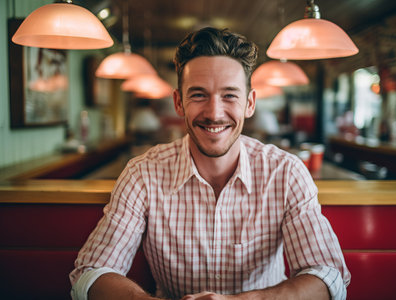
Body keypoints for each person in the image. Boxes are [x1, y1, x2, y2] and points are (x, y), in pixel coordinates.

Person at [70, 27, 350, 300]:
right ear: (179, 103)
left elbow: (328, 277)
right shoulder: (142, 173)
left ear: (249, 103)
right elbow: (91, 272)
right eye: (199, 95)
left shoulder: (285, 172)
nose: (215, 113)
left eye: (229, 95)